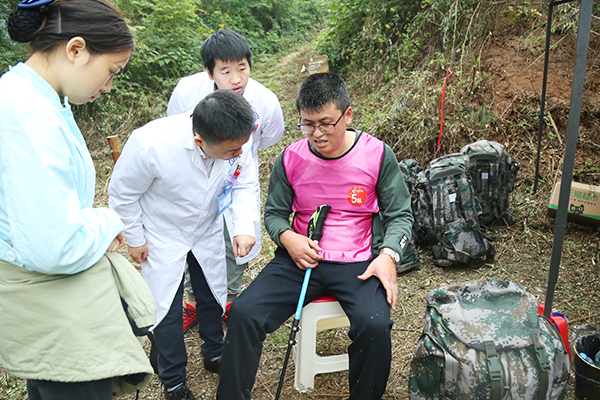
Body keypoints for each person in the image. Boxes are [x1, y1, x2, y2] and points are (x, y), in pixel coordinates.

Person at [217, 73, 414, 400]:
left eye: (326, 123)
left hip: (359, 261)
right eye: (308, 125)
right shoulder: (292, 158)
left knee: (375, 325)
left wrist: (387, 255)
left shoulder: (377, 155)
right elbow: (274, 214)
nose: (317, 134)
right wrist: (288, 239)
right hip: (300, 257)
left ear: (347, 115)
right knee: (243, 313)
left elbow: (399, 215)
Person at [0, 1, 155, 400]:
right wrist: (107, 223)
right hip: (49, 300)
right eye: (110, 72)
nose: (108, 86)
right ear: (76, 49)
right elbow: (54, 245)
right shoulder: (27, 114)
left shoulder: (42, 98)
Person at [108, 89, 259, 400]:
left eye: (241, 147)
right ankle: (173, 379)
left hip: (205, 228)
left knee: (212, 292)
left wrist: (243, 227)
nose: (239, 153)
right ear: (200, 141)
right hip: (162, 232)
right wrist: (135, 238)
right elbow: (122, 195)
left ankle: (214, 352)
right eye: (232, 150)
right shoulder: (151, 143)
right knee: (165, 307)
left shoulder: (237, 138)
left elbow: (243, 181)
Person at [167, 29, 284, 335]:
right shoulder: (187, 91)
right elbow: (175, 127)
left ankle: (229, 299)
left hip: (237, 173)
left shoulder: (265, 100)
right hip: (195, 175)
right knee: (195, 237)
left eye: (242, 68)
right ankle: (193, 302)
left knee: (238, 240)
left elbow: (271, 135)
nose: (236, 79)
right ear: (210, 72)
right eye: (226, 71)